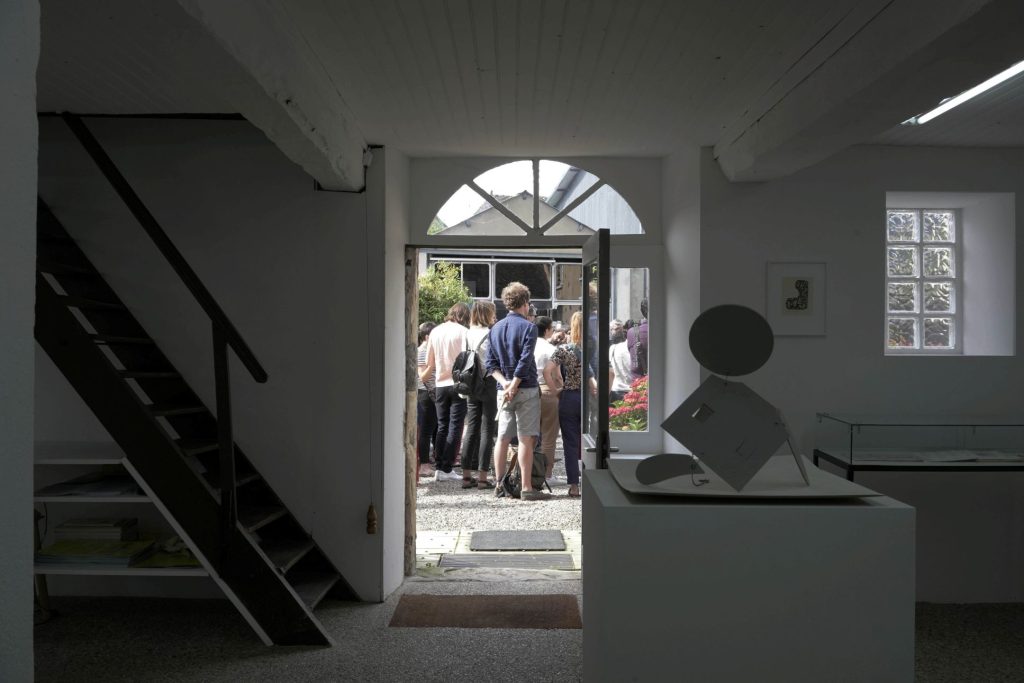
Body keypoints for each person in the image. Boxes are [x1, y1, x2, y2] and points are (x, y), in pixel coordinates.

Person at [485, 282, 548, 501]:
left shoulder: (495, 328)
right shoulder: (529, 327)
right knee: (525, 439)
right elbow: (525, 360)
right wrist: (514, 384)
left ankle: (498, 484)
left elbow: (490, 364)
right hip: (526, 387)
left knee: (502, 438)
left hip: (503, 390)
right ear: (525, 303)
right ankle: (526, 487)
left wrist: (505, 384)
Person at [419, 302, 470, 482]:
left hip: (440, 383)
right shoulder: (464, 332)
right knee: (455, 426)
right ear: (464, 316)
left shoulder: (435, 331)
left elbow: (430, 362)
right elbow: (468, 359)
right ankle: (447, 467)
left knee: (442, 425)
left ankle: (439, 466)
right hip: (458, 383)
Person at [458, 301, 498, 490]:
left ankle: (466, 476)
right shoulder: (490, 334)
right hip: (488, 381)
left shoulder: (466, 333)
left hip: (471, 382)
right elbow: (492, 360)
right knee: (487, 429)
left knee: (471, 427)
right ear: (488, 314)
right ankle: (482, 477)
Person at [551, 311, 584, 497]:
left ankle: (574, 486)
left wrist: (557, 390)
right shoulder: (594, 349)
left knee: (570, 444)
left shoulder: (564, 349)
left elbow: (548, 371)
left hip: (569, 396)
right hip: (588, 398)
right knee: (590, 441)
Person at [534, 316, 562, 481]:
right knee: (549, 436)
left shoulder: (528, 346)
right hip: (548, 390)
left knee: (530, 435)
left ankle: (531, 472)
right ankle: (547, 473)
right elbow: (557, 375)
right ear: (546, 330)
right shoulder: (551, 349)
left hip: (531, 390)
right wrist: (560, 389)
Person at [416, 322, 438, 478]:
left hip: (432, 392)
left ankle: (430, 461)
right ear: (427, 337)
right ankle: (424, 465)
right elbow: (422, 376)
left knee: (434, 427)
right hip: (425, 393)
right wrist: (433, 364)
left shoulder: (429, 349)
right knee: (426, 430)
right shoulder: (422, 351)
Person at [609, 320, 633, 403]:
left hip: (627, 390)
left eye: (617, 329)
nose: (614, 332)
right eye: (612, 329)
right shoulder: (612, 348)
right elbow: (611, 373)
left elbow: (611, 373)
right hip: (619, 390)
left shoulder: (628, 345)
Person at [627, 298, 649, 377]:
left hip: (640, 380)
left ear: (642, 311)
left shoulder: (633, 332)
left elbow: (634, 361)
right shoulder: (667, 330)